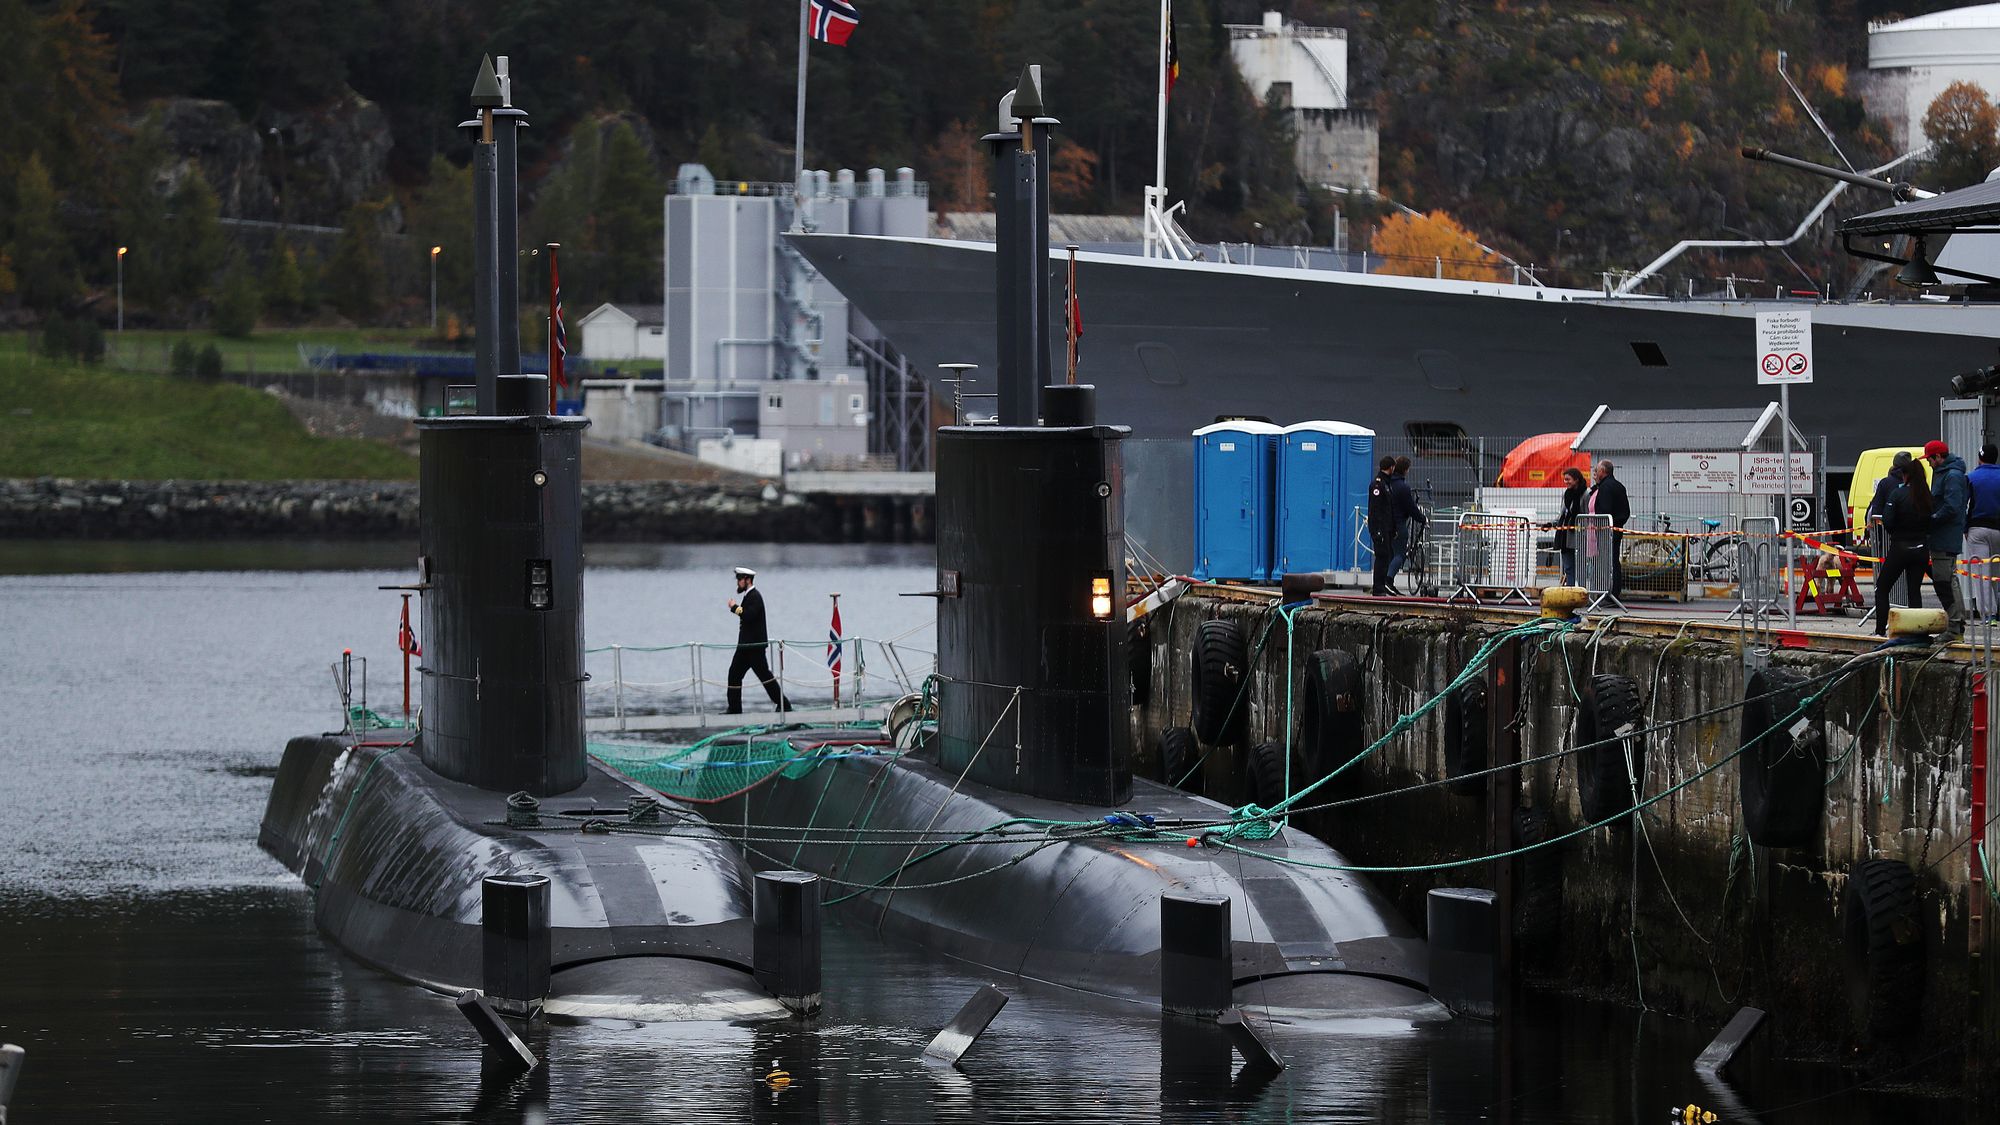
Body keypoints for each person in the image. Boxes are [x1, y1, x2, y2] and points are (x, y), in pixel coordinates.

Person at [1874, 464, 1933, 636]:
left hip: (1900, 546)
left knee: (1882, 588)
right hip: (1921, 547)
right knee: (1914, 590)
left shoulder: (1898, 494)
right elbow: (1931, 521)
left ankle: (1880, 630)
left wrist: (1896, 532)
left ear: (1906, 476)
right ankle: (1917, 632)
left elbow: (1888, 520)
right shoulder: (1926, 496)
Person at [725, 566, 789, 713]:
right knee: (734, 674)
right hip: (746, 647)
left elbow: (749, 615)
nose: (738, 583)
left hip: (754, 647)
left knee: (764, 676)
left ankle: (784, 704)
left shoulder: (755, 596)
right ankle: (734, 708)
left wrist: (734, 607)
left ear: (747, 580)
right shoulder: (749, 596)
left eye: (740, 579)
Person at [1925, 439, 1969, 635]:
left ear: (1938, 457)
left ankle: (1954, 626)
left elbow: (1951, 506)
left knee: (1944, 580)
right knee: (1949, 580)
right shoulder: (1947, 473)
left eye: (1930, 459)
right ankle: (1956, 623)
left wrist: (1932, 519)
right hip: (1945, 535)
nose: (1928, 463)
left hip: (1944, 536)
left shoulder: (1951, 476)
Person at [1584, 459, 1631, 595]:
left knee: (1604, 563)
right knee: (1614, 561)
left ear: (1603, 471)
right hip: (1616, 530)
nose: (1595, 473)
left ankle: (1605, 592)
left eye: (1596, 471)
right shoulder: (1619, 486)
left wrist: (1601, 526)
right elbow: (1625, 511)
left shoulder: (1604, 488)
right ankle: (1614, 592)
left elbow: (1604, 510)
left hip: (1604, 532)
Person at [1968, 443, 2000, 623]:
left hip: (1977, 529)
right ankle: (1995, 611)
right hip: (1998, 529)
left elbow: (1965, 504)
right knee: (1995, 573)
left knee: (1981, 574)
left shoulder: (1972, 477)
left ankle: (1989, 614)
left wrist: (1965, 528)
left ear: (1980, 458)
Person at [1384, 455, 1427, 587]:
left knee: (1389, 554)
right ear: (1405, 470)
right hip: (1399, 524)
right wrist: (1422, 518)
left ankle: (1383, 581)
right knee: (1400, 554)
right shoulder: (1403, 487)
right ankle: (1388, 580)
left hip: (1387, 524)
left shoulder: (1387, 483)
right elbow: (1411, 507)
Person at [1547, 466, 1588, 586]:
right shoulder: (1566, 494)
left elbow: (1588, 516)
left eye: (1568, 479)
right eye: (1565, 479)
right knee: (1568, 567)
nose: (1566, 482)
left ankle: (1582, 591)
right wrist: (1551, 524)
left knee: (1581, 567)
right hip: (1565, 536)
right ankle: (1571, 591)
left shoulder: (1585, 495)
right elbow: (1562, 514)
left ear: (1576, 480)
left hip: (1579, 535)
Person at [1366, 456, 1398, 595]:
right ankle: (1378, 587)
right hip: (1380, 528)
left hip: (1387, 528)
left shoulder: (1386, 483)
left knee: (1386, 556)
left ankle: (1381, 585)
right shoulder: (1378, 485)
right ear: (1391, 467)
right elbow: (1376, 509)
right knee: (1381, 556)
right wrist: (1378, 531)